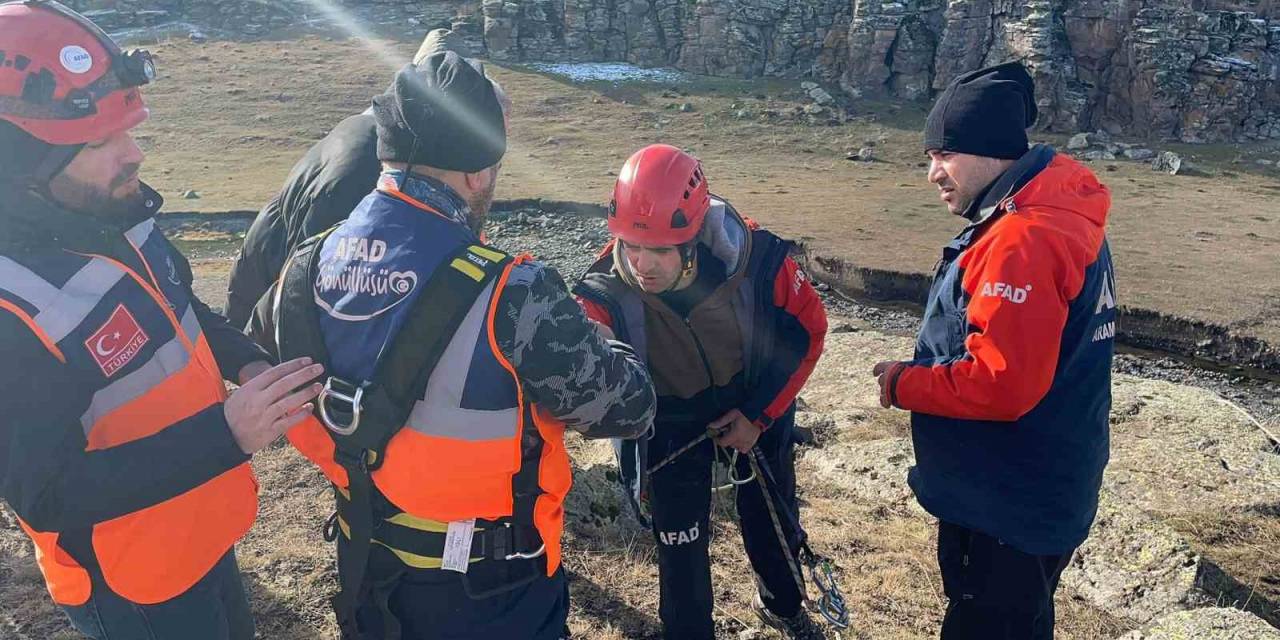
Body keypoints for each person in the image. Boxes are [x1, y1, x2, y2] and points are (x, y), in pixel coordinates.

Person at [247, 52, 656, 640]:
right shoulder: (516, 290)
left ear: (387, 154)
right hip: (492, 593)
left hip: (364, 567)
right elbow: (631, 409)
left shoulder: (306, 263)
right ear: (475, 173)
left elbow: (265, 352)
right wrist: (607, 345)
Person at [0, 2, 323, 638]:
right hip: (131, 581)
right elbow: (48, 494)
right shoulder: (12, 306)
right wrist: (227, 434)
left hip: (199, 523)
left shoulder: (115, 213)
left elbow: (180, 306)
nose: (136, 154)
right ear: (19, 167)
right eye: (101, 141)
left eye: (130, 129)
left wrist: (245, 360)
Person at [871, 61, 1116, 639]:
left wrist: (903, 382)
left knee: (988, 621)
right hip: (1039, 483)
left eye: (944, 154)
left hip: (1009, 501)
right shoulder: (1052, 215)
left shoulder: (1024, 240)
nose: (933, 173)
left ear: (990, 151)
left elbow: (1001, 384)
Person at [575, 144, 830, 639]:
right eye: (630, 245)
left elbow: (808, 332)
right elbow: (577, 329)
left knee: (771, 520)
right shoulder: (606, 284)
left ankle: (782, 606)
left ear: (692, 242)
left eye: (660, 251)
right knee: (680, 546)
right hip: (670, 421)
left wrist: (757, 417)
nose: (642, 265)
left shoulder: (759, 259)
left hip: (755, 398)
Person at [223, 28, 482, 328]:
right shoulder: (369, 160)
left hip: (260, 284)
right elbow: (315, 279)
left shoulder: (372, 134)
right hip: (268, 309)